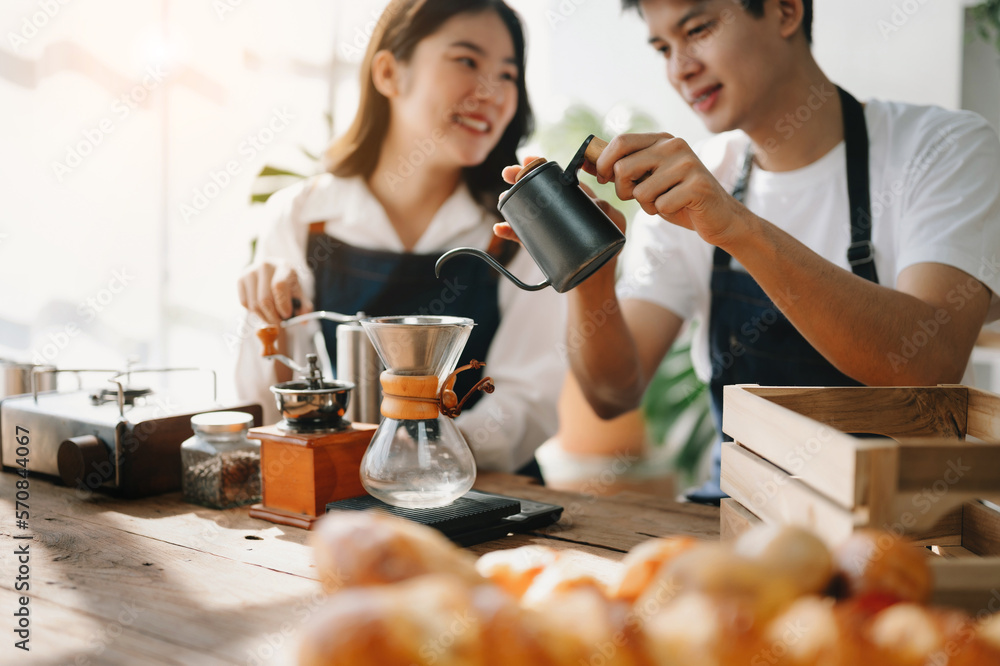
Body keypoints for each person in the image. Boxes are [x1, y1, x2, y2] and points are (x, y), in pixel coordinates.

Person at [497, 0, 1000, 502]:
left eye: (698, 30)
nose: (680, 68)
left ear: (785, 11)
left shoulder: (941, 148)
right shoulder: (691, 180)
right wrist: (589, 272)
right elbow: (613, 394)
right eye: (663, 48)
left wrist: (736, 228)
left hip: (902, 539)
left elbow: (929, 362)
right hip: (734, 524)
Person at [236, 0, 566, 475]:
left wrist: (408, 461)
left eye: (509, 76)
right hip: (339, 488)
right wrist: (266, 315)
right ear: (389, 73)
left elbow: (527, 403)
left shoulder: (516, 230)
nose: (492, 92)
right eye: (467, 61)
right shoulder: (303, 217)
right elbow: (263, 407)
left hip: (488, 501)